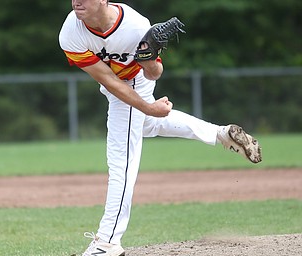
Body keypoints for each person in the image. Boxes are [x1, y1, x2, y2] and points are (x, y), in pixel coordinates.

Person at [59, 1, 262, 255]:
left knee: (120, 160)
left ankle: (107, 241)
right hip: (118, 85)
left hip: (136, 81)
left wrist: (148, 60)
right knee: (148, 123)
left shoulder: (135, 26)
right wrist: (147, 108)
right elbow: (108, 80)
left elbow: (154, 73)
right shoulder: (71, 31)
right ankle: (219, 133)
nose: (77, 1)